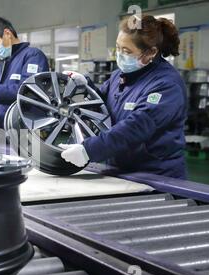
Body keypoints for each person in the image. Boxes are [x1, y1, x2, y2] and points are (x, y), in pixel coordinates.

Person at [61, 15, 187, 179]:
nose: (119, 55)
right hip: (119, 170)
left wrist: (89, 150)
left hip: (157, 176)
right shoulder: (118, 76)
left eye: (126, 51)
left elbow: (138, 125)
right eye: (117, 48)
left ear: (151, 52)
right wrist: (85, 86)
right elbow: (100, 104)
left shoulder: (167, 85)